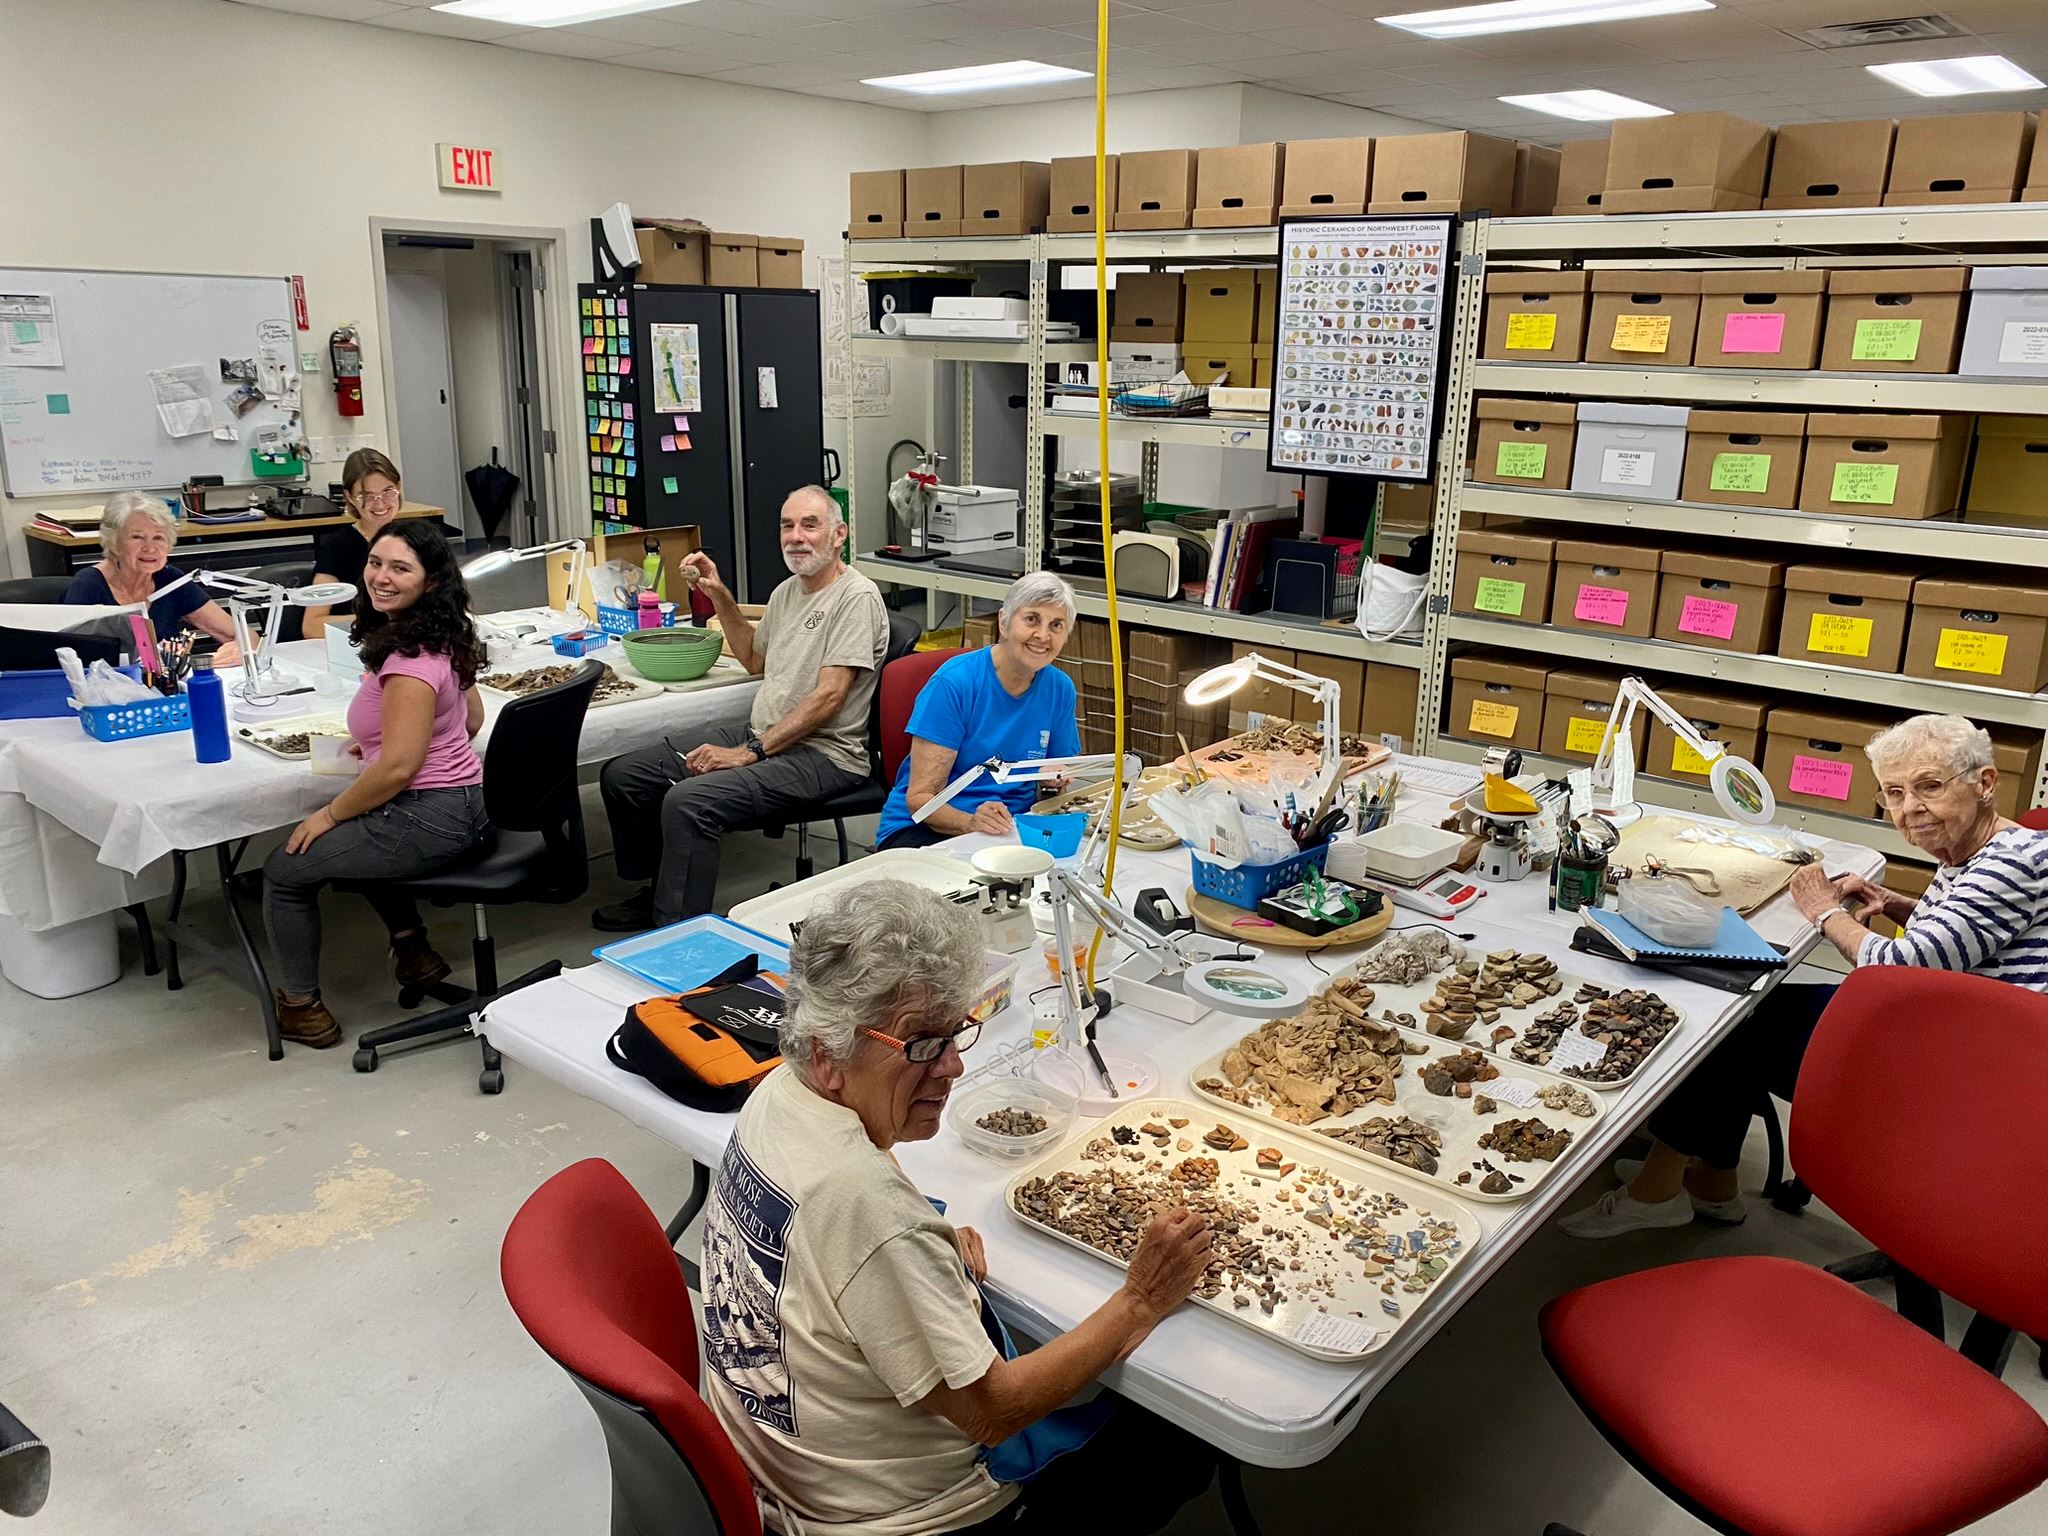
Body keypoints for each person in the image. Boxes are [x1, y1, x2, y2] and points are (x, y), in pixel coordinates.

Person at [700, 880, 1220, 1536]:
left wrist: (926, 1258)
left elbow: (855, 1226)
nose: (950, 1067)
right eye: (921, 1044)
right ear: (830, 1055)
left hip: (779, 1467)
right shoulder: (867, 1209)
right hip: (902, 1520)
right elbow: (993, 1413)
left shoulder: (785, 1090)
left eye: (955, 1034)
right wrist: (1140, 1299)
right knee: (1186, 1427)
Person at [1564, 712, 2048, 1239]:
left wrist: (1823, 910)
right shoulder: (1986, 849)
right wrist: (1898, 904)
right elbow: (1973, 937)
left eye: (1928, 787)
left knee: (1731, 1029)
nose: (1911, 809)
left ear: (1985, 783)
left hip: (1977, 1070)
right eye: (1894, 793)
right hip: (1966, 1025)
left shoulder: (2013, 862)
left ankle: (1658, 1193)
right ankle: (1712, 1183)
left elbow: (1897, 970)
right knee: (1757, 1012)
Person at [592, 486, 887, 932]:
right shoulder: (789, 591)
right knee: (625, 775)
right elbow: (754, 658)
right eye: (787, 526)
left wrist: (749, 753)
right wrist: (719, 595)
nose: (796, 536)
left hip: (825, 755)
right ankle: (657, 893)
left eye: (810, 525)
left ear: (839, 534)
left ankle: (678, 932)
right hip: (768, 735)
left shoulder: (855, 598)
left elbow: (830, 697)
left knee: (689, 801)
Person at [260, 521, 490, 1048]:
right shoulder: (445, 633)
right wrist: (394, 739)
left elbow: (397, 772)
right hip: (468, 806)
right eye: (375, 563)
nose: (380, 578)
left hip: (425, 817)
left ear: (430, 581)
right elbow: (469, 721)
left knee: (285, 871)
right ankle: (415, 953)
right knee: (358, 838)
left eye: (399, 568)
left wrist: (328, 814)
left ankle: (301, 1008)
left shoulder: (408, 661)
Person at [875, 572, 1081, 853]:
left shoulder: (1060, 689)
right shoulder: (955, 684)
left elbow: (1051, 786)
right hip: (924, 830)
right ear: (1004, 623)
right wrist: (971, 822)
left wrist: (1050, 782)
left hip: (1008, 829)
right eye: (1031, 619)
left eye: (1056, 625)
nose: (1043, 635)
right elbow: (921, 800)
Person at [63, 492, 239, 663]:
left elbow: (245, 636)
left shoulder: (171, 581)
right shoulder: (87, 586)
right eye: (137, 537)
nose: (150, 547)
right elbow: (67, 658)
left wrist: (240, 649)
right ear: (113, 542)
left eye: (158, 538)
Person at [299, 447, 405, 632]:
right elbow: (312, 625)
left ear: (399, 487)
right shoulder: (338, 546)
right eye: (367, 496)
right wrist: (378, 621)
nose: (380, 504)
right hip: (359, 644)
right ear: (349, 497)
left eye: (388, 492)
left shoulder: (416, 539)